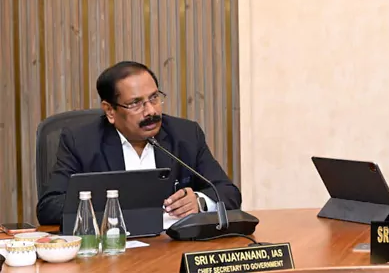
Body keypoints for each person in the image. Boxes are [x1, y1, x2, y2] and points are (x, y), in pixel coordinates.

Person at [37, 61, 242, 225]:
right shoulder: (81, 142)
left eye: (154, 98)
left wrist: (199, 201)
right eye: (135, 103)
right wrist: (113, 207)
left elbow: (228, 192)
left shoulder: (185, 134)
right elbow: (49, 207)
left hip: (171, 247)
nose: (151, 111)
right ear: (110, 111)